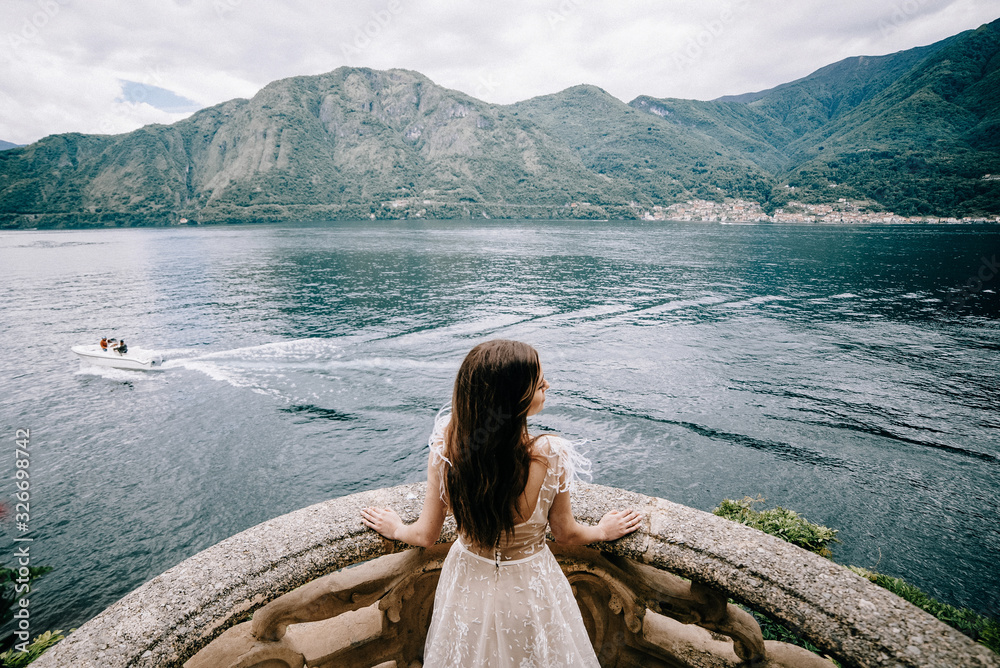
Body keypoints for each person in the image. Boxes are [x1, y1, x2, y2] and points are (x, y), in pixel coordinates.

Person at [361, 339, 642, 667]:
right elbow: (566, 533)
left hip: (467, 585)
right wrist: (603, 531)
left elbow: (425, 536)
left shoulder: (448, 450)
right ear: (513, 400)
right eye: (538, 383)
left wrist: (395, 527)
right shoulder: (550, 454)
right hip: (532, 587)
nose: (547, 384)